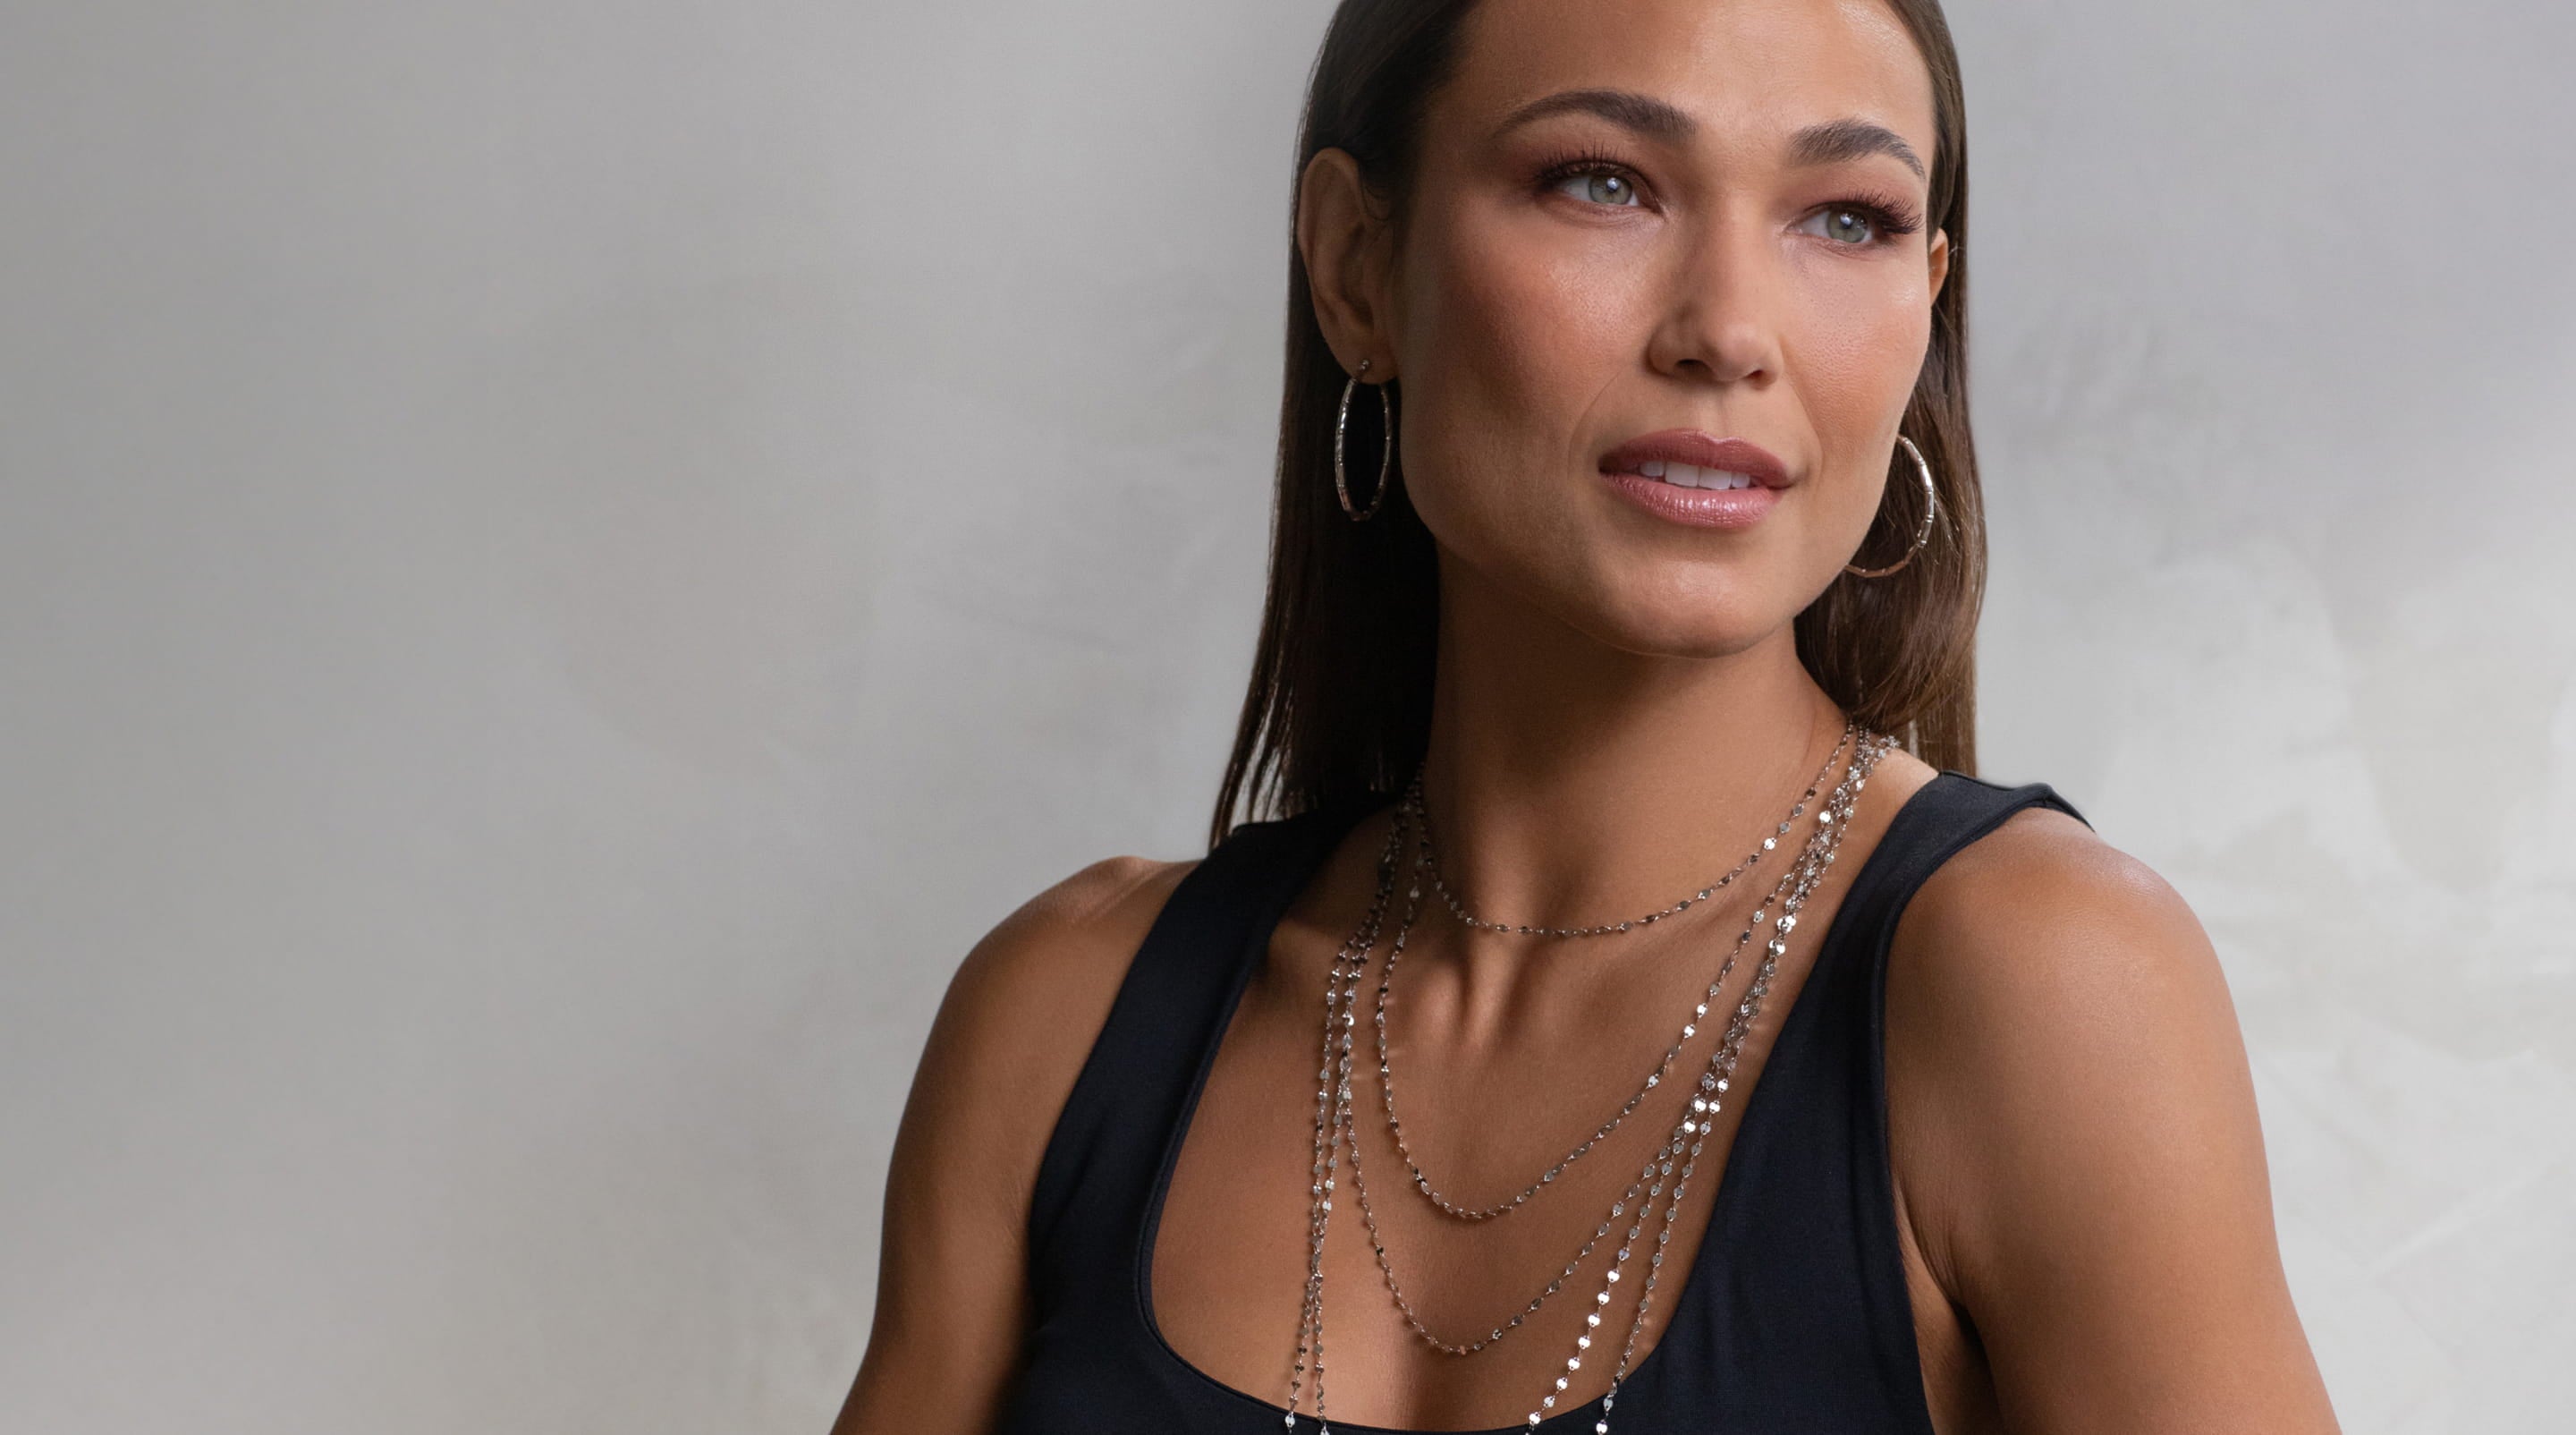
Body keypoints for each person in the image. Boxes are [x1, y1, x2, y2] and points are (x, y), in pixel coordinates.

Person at [835, 0, 2341, 1430]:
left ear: (1924, 303)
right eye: (1603, 183)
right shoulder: (1065, 1018)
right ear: (1359, 268)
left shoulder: (2046, 987)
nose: (1729, 331)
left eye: (1845, 218)